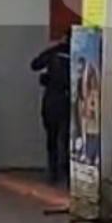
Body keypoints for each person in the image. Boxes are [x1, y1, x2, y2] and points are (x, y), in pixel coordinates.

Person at [31, 35, 72, 185]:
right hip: (69, 100)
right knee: (67, 139)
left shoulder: (54, 52)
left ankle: (53, 172)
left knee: (52, 138)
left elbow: (35, 64)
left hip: (52, 99)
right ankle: (67, 173)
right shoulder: (79, 54)